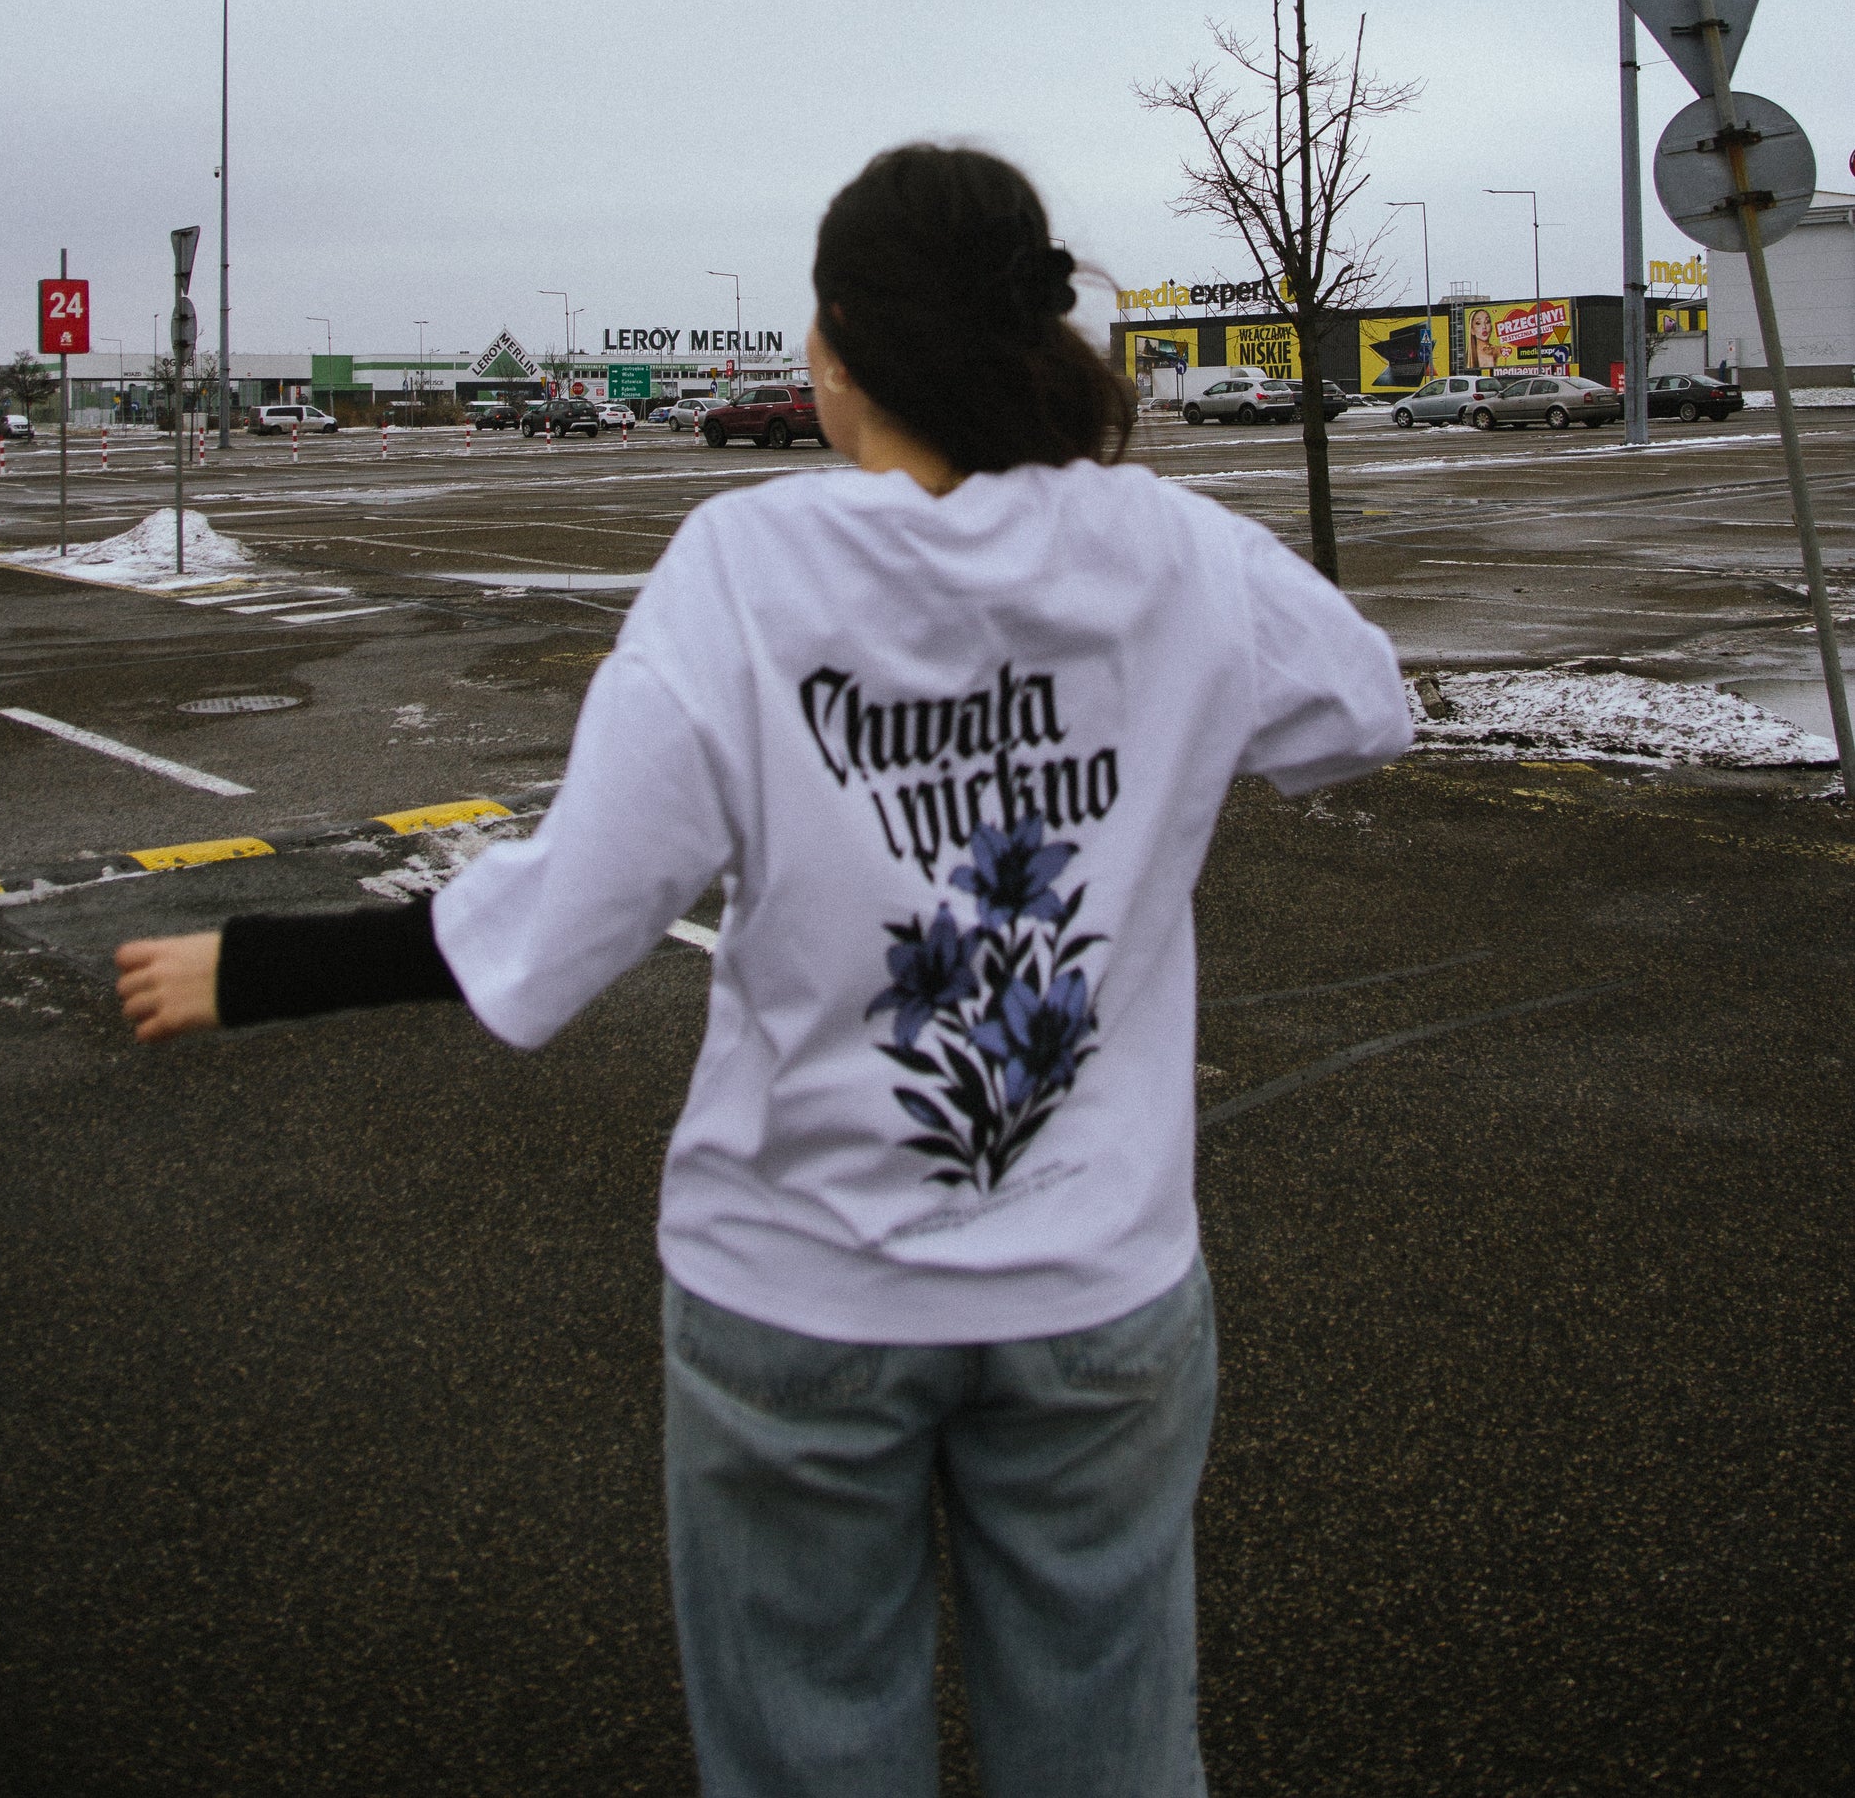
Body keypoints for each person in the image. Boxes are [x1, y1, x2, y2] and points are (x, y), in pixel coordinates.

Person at [116, 143, 1411, 1798]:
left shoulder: (747, 570)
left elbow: (571, 915)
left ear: (840, 347)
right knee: (1108, 1748)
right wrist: (1133, 717)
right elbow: (1360, 710)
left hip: (800, 1297)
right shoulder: (1169, 550)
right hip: (1097, 1293)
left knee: (810, 1747)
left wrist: (264, 969)